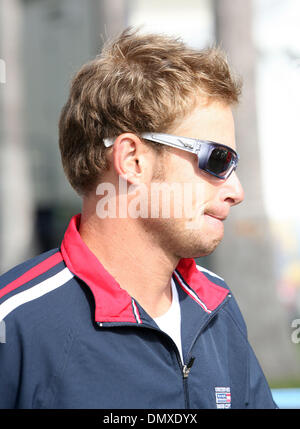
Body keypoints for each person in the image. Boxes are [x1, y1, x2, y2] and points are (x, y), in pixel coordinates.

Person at [0, 28, 277, 409]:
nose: (236, 191)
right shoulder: (15, 326)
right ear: (132, 160)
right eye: (218, 160)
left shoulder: (217, 307)